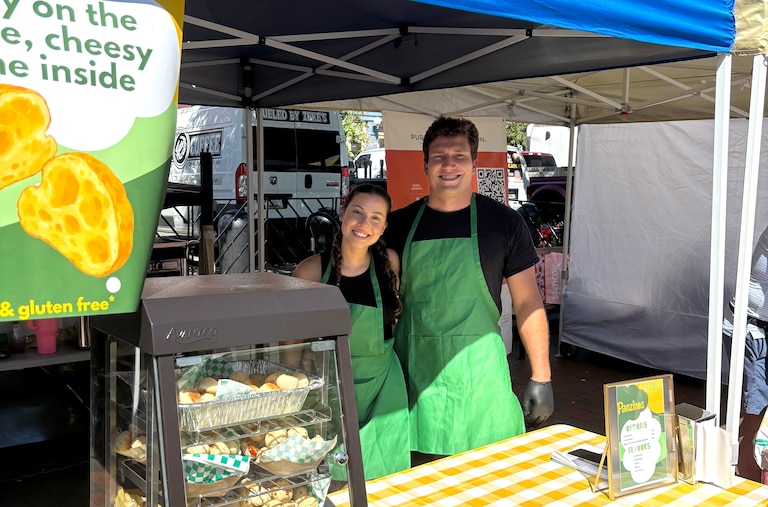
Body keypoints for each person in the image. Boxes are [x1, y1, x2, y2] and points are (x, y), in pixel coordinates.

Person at [384, 116, 554, 457]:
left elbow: (527, 304)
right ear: (425, 164)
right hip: (416, 381)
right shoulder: (399, 225)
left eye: (459, 155)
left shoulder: (504, 223)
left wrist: (542, 375)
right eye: (439, 156)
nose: (449, 164)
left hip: (482, 385)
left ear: (474, 162)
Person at [292, 184, 410, 480]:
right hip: (329, 391)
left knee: (385, 477)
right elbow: (291, 342)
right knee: (329, 478)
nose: (364, 224)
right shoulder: (310, 273)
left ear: (383, 227)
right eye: (357, 213)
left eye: (375, 218)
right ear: (342, 214)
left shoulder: (391, 264)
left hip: (384, 389)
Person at [723, 223, 768, 482]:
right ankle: (745, 471)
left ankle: (698, 441)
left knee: (752, 408)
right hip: (751, 330)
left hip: (756, 328)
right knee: (755, 407)